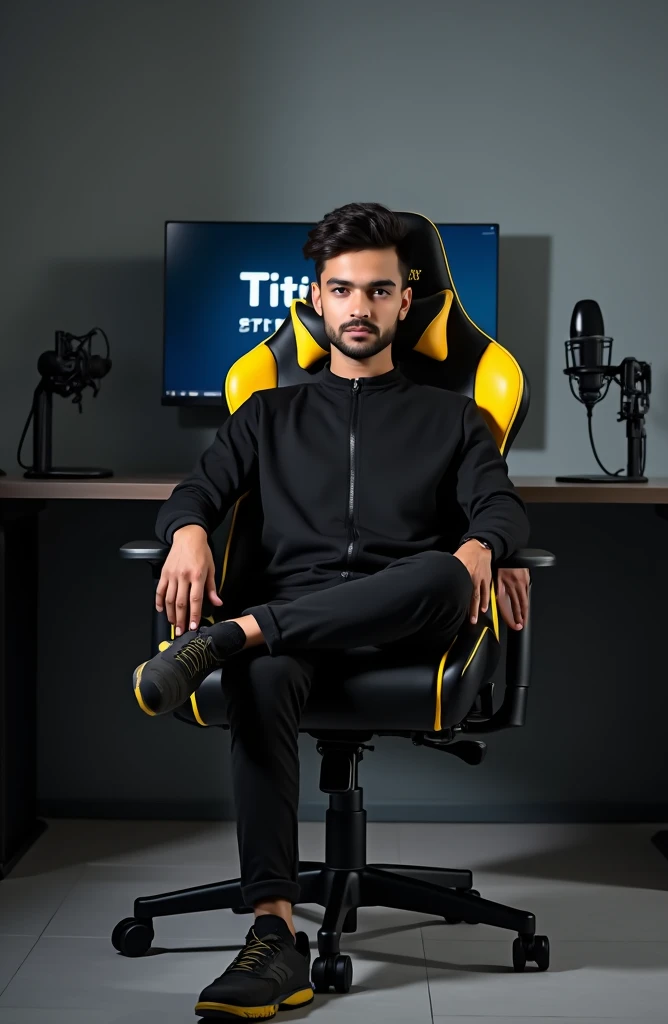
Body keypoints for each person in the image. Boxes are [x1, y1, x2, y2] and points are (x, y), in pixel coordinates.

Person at [134, 203, 531, 1021]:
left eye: (378, 291)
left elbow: (501, 508)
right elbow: (193, 492)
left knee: (444, 569)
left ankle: (233, 635)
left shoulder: (452, 418)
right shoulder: (267, 415)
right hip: (296, 630)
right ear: (316, 300)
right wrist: (185, 535)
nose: (359, 307)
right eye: (342, 290)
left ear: (404, 303)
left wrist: (490, 547)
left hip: (410, 620)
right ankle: (275, 935)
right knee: (264, 670)